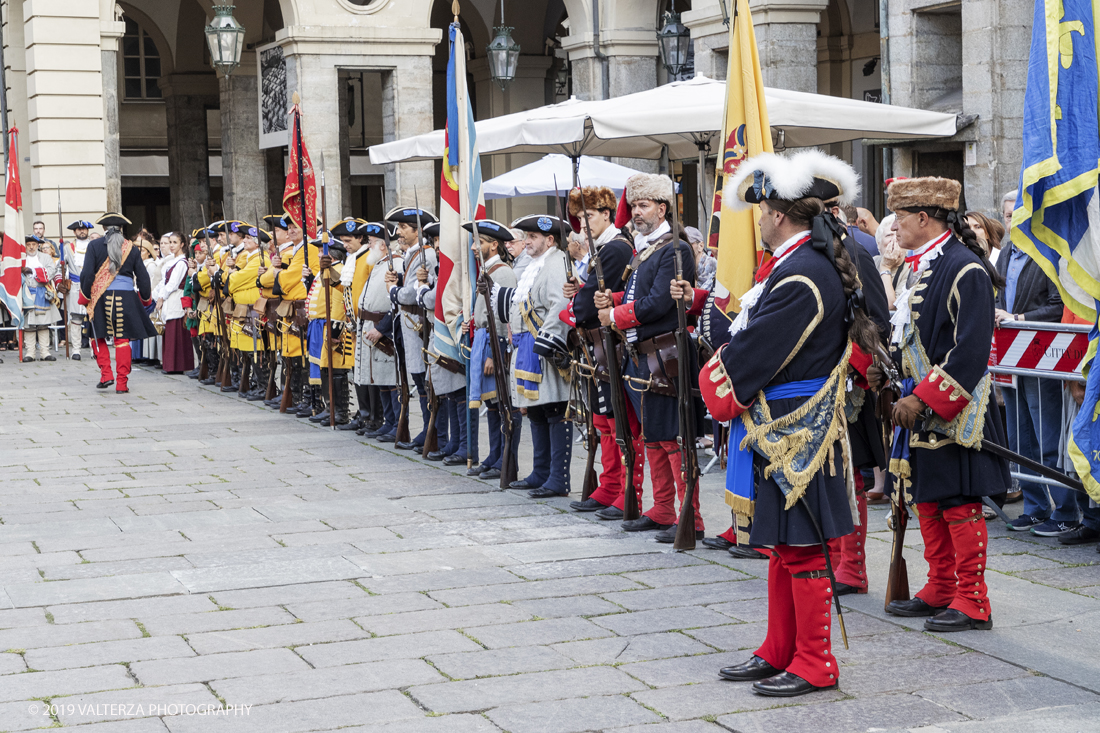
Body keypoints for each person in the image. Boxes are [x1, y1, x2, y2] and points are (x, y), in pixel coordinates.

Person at [697, 149, 880, 696]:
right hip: (784, 428)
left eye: (762, 211)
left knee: (803, 547)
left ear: (778, 215)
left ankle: (815, 661)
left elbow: (756, 350)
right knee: (784, 544)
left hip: (797, 432)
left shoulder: (802, 274)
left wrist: (717, 373)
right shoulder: (800, 265)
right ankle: (781, 649)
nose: (757, 219)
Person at [874, 176, 1010, 632]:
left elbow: (968, 352)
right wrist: (887, 368)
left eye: (899, 217)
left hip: (957, 407)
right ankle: (941, 585)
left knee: (957, 500)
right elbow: (913, 334)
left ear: (923, 218)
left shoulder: (965, 269)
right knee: (927, 498)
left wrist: (925, 397)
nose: (894, 225)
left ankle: (973, 599)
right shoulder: (919, 267)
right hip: (919, 403)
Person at [595, 173, 703, 541]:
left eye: (643, 206)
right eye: (635, 205)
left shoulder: (676, 249)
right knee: (654, 436)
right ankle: (660, 509)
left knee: (674, 437)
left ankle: (692, 517)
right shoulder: (647, 248)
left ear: (662, 207)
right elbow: (638, 293)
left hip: (667, 355)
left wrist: (617, 316)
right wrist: (614, 300)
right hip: (642, 354)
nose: (636, 212)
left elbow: (659, 303)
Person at [563, 185, 646, 519]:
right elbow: (583, 296)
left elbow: (585, 307)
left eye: (590, 215)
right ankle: (611, 485)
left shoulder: (614, 249)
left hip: (610, 344)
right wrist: (576, 292)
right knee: (603, 420)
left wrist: (574, 304)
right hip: (597, 345)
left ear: (607, 214)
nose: (583, 223)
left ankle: (626, 490)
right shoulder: (602, 249)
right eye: (580, 217)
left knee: (618, 423)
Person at [994, 205, 1068, 536]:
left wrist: (1020, 320)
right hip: (1009, 358)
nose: (1014, 222)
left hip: (1042, 356)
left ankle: (1066, 509)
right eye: (1009, 216)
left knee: (1047, 436)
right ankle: (1036, 507)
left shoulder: (1050, 251)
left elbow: (1059, 306)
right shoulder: (1008, 251)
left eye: (1020, 214)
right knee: (1018, 437)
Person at [490, 213, 574, 498]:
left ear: (550, 240)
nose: (526, 241)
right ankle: (540, 472)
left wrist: (548, 342)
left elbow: (559, 305)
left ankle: (558, 478)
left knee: (554, 410)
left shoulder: (556, 262)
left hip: (544, 348)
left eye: (532, 237)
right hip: (527, 347)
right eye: (525, 236)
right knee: (536, 411)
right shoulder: (537, 264)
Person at [78, 213, 158, 392]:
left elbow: (88, 274)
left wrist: (84, 296)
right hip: (127, 298)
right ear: (121, 229)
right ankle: (122, 383)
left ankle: (106, 374)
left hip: (101, 297)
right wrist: (145, 299)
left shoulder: (94, 245)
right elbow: (143, 277)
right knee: (122, 340)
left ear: (104, 228)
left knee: (97, 336)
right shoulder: (132, 248)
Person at [467, 219, 521, 480]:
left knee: (502, 403)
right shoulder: (486, 269)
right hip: (482, 339)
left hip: (495, 343)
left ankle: (506, 460)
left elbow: (504, 315)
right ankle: (494, 455)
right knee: (491, 402)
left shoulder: (502, 272)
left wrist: (493, 352)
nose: (475, 247)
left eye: (480, 242)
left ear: (494, 244)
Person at [385, 206, 440, 451]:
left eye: (404, 228)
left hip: (419, 326)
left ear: (417, 232)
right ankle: (428, 431)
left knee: (425, 382)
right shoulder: (413, 254)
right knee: (419, 381)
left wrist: (394, 291)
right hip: (410, 326)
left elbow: (414, 292)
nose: (399, 232)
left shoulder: (426, 254)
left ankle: (433, 433)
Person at [355, 222, 403, 442]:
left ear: (383, 245)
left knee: (391, 379)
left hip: (384, 328)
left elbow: (397, 303)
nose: (368, 245)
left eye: (372, 242)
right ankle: (388, 422)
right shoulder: (379, 263)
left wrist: (381, 329)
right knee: (380, 380)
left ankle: (397, 424)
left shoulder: (396, 264)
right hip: (370, 326)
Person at [152, 231, 194, 374]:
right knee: (170, 331)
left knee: (177, 331)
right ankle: (170, 364)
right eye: (170, 242)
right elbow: (164, 282)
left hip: (177, 298)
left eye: (175, 242)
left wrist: (161, 297)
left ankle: (179, 365)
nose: (171, 245)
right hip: (170, 298)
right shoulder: (171, 261)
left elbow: (173, 284)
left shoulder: (182, 262)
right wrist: (158, 295)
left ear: (182, 244)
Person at [58, 220, 95, 360]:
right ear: (74, 232)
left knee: (93, 318)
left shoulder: (94, 245)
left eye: (84, 229)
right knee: (76, 318)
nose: (82, 231)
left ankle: (95, 350)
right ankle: (76, 350)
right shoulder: (67, 248)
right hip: (74, 286)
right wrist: (59, 283)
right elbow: (58, 267)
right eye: (79, 229)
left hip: (92, 286)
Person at [21, 235, 60, 362]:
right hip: (26, 292)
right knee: (28, 325)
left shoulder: (45, 257)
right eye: (29, 244)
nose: (31, 247)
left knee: (44, 324)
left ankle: (45, 352)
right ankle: (30, 353)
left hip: (42, 291)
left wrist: (33, 271)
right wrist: (21, 270)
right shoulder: (21, 258)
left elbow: (51, 271)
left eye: (34, 244)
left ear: (38, 245)